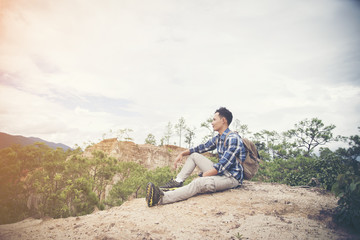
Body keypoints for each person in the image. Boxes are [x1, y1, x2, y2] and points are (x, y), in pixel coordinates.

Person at [146, 107, 247, 207]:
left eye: (214, 119)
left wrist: (203, 175)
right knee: (194, 156)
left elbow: (221, 167)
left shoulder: (233, 139)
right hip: (222, 173)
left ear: (223, 120)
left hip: (231, 177)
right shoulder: (219, 138)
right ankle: (178, 181)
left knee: (198, 183)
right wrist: (182, 153)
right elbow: (202, 147)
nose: (212, 123)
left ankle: (161, 198)